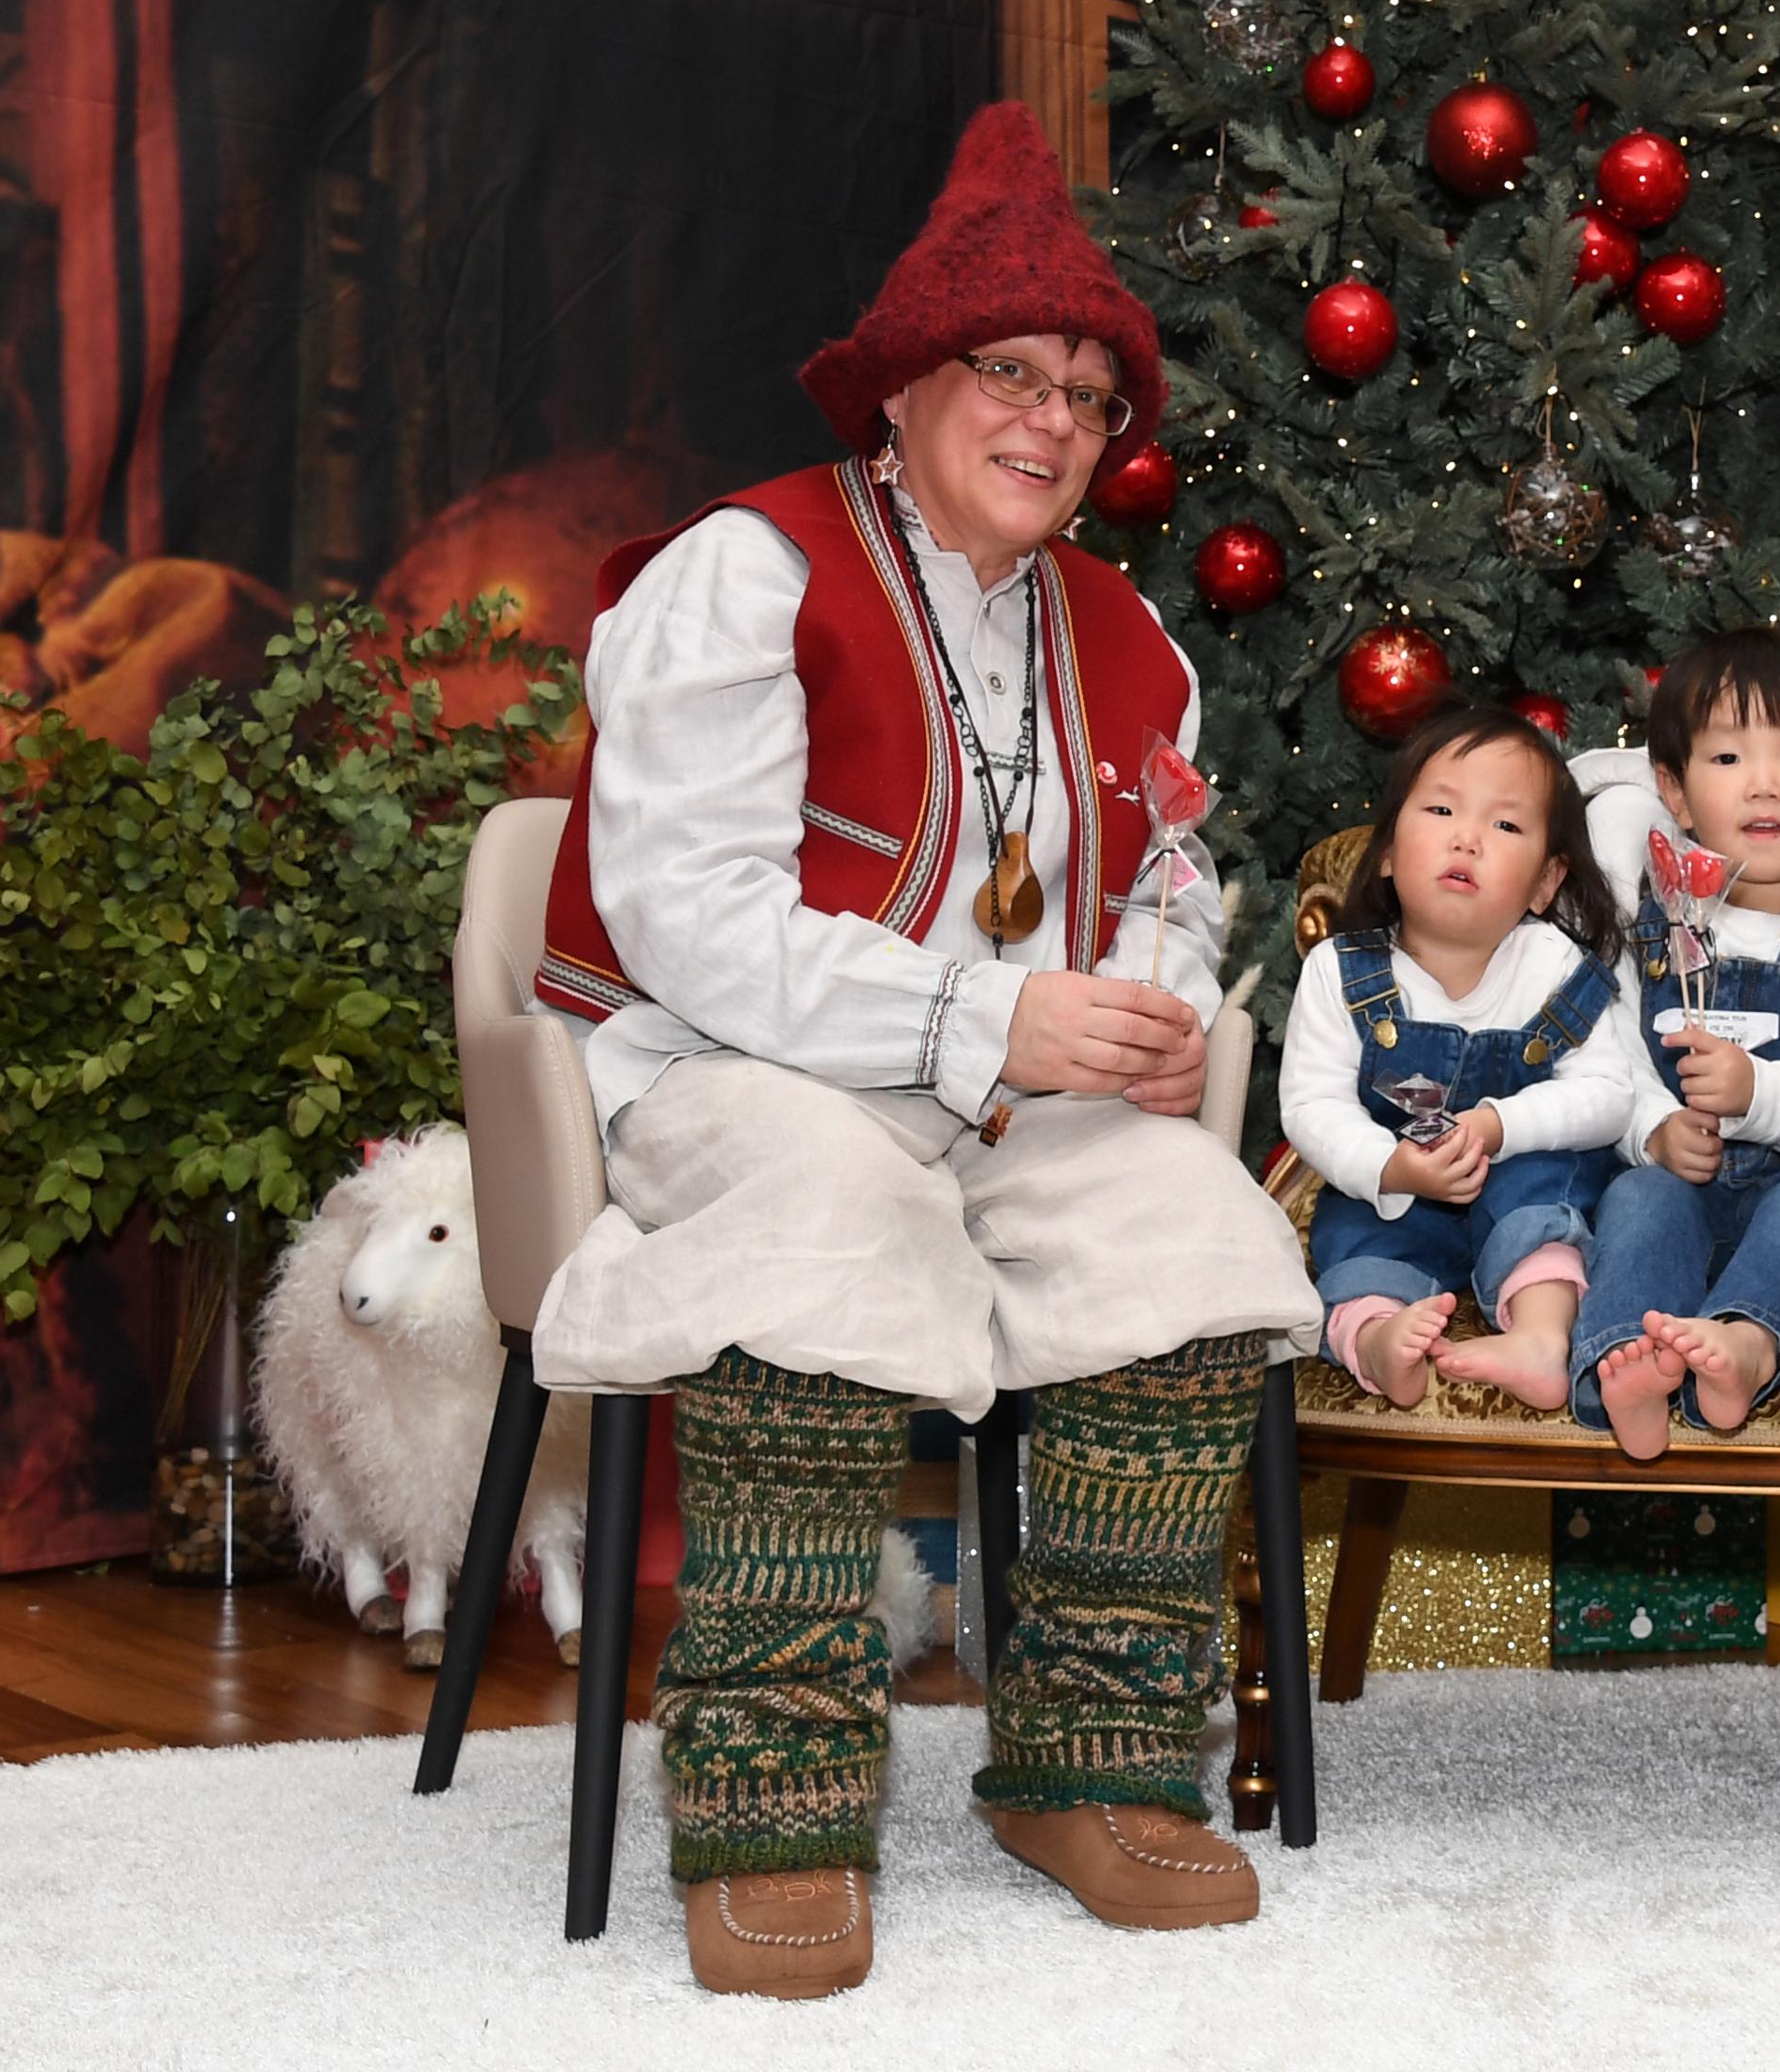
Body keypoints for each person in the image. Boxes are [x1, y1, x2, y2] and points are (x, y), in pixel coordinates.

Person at [523, 104, 1316, 1998]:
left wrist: (1149, 1006)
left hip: (1011, 1095)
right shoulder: (744, 570)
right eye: (1008, 374)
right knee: (821, 1225)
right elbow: (689, 917)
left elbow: (1171, 889)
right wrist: (982, 1012)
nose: (1051, 422)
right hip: (741, 1072)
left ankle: (1091, 1768)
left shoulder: (1133, 638)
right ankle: (772, 1800)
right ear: (901, 392)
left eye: (1090, 398)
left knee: (1196, 1240)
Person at [1570, 630, 1780, 1461]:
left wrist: (1761, 1094)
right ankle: (1625, 1360)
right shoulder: (1647, 928)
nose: (1761, 784)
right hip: (1680, 1185)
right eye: (1726, 761)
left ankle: (1745, 1342)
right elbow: (1604, 1062)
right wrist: (1651, 1129)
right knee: (1639, 1200)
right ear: (1674, 794)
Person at [1279, 703, 1633, 1409]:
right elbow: (1311, 1105)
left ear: (1544, 883)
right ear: (1386, 853)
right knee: (1353, 1229)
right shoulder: (1341, 972)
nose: (1467, 839)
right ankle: (1378, 1338)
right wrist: (1390, 1167)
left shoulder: (1554, 967)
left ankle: (1539, 1336)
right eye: (1441, 811)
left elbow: (1607, 1094)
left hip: (1513, 1188)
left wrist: (1503, 1125)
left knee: (1548, 1184)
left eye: (1505, 826)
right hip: (1398, 1192)